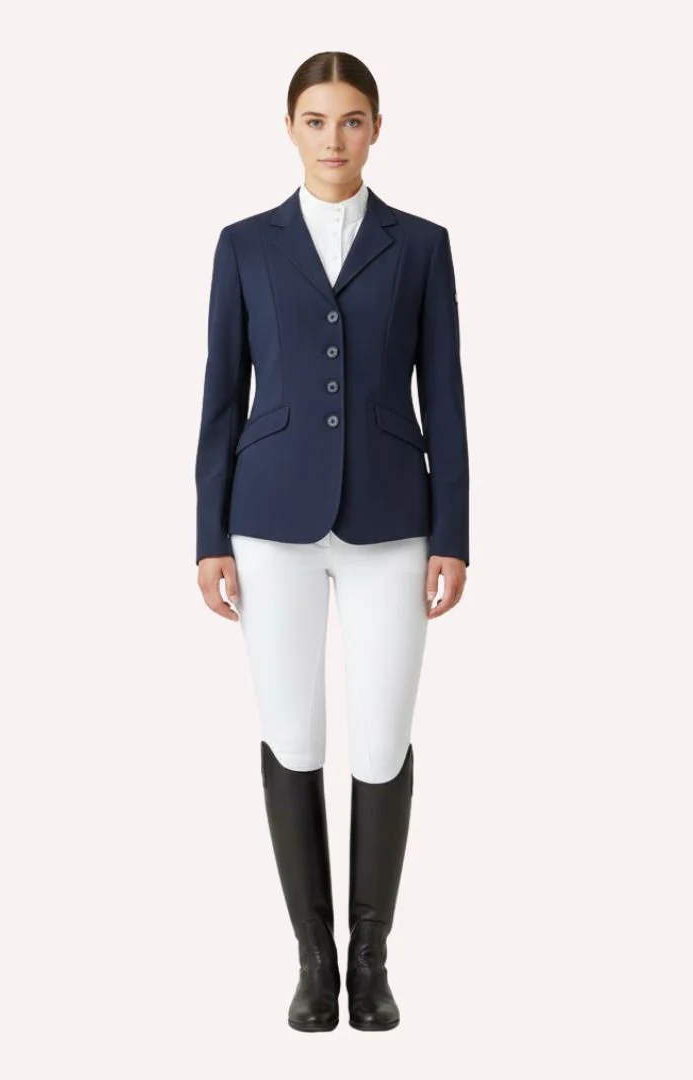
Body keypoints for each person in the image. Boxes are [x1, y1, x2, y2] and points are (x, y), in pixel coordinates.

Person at [194, 50, 470, 1032]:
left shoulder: (422, 245)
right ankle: (314, 963)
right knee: (292, 734)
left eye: (351, 120)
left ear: (376, 129)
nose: (334, 138)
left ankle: (371, 961)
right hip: (267, 522)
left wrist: (454, 532)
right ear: (290, 128)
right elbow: (221, 395)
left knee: (382, 737)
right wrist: (208, 534)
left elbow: (446, 395)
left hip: (394, 520)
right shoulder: (244, 245)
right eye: (316, 120)